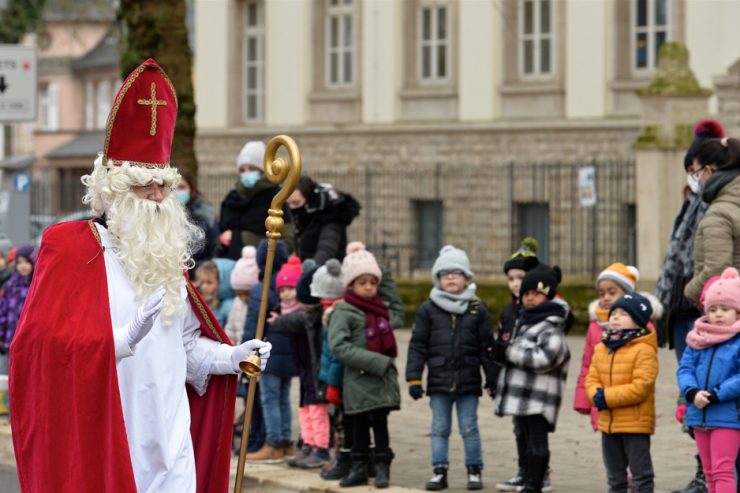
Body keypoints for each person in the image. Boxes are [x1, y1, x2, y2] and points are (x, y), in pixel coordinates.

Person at [8, 59, 272, 493]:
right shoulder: (69, 247)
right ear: (112, 190)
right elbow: (37, 351)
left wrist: (230, 357)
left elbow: (183, 346)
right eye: (143, 185)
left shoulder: (164, 258)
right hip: (110, 442)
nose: (156, 196)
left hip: (171, 446)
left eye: (163, 186)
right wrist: (121, 340)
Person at [406, 245, 497, 491]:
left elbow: (486, 348)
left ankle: (474, 470)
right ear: (437, 279)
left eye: (456, 273)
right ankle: (439, 471)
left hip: (468, 380)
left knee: (469, 427)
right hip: (439, 380)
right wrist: (414, 378)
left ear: (467, 278)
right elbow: (417, 346)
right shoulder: (427, 310)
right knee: (439, 428)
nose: (450, 278)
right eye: (445, 274)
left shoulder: (477, 309)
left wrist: (493, 379)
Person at [329, 242, 403, 489]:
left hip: (379, 383)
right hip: (359, 381)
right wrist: (377, 362)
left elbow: (398, 309)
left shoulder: (382, 310)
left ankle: (382, 468)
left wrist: (380, 269)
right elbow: (339, 346)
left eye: (373, 282)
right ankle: (358, 468)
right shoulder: (344, 311)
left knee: (381, 427)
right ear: (351, 285)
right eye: (363, 283)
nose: (369, 287)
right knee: (359, 428)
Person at [494, 264, 570, 493]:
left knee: (537, 444)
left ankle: (535, 484)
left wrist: (509, 351)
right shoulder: (525, 321)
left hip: (539, 399)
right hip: (522, 397)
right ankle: (527, 479)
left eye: (536, 293)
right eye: (526, 293)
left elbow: (543, 358)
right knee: (525, 441)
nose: (529, 298)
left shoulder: (552, 326)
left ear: (548, 295)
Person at [574, 263, 663, 431]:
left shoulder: (643, 328)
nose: (606, 297)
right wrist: (584, 399)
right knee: (609, 448)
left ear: (627, 294)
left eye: (612, 292)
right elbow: (587, 365)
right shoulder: (595, 325)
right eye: (602, 293)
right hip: (601, 404)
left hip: (631, 409)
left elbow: (645, 373)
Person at [585, 293, 659, 493]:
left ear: (638, 321)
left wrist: (606, 397)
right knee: (615, 477)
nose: (615, 317)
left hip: (635, 424)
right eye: (613, 313)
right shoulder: (602, 347)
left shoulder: (644, 349)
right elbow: (591, 378)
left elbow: (641, 387)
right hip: (608, 423)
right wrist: (595, 395)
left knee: (641, 475)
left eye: (623, 313)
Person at [678, 267, 740, 493]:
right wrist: (692, 392)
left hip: (728, 416)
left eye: (725, 308)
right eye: (713, 309)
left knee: (723, 470)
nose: (718, 314)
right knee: (709, 472)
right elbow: (685, 369)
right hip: (698, 413)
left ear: (738, 312)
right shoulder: (697, 338)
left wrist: (716, 394)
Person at [269, 258, 333, 469]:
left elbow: (296, 321)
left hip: (315, 370)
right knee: (304, 406)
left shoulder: (309, 314)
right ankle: (308, 444)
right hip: (304, 369)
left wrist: (278, 321)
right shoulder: (288, 311)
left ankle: (321, 448)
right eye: (282, 290)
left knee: (316, 408)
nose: (287, 294)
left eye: (291, 289)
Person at [494, 238, 546, 493]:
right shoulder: (507, 311)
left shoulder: (542, 309)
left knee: (536, 431)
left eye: (521, 277)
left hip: (536, 382)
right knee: (519, 429)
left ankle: (540, 476)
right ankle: (524, 472)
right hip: (513, 380)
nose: (515, 283)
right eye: (511, 278)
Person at [245, 239, 298, 463]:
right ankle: (286, 442)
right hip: (290, 351)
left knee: (269, 398)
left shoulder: (263, 287)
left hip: (270, 353)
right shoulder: (288, 282)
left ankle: (274, 443)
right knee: (283, 397)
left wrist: (245, 353)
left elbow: (253, 324)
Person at [218, 141, 296, 260]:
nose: (246, 173)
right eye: (243, 170)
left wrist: (263, 252)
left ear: (263, 171)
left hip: (262, 265)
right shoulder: (232, 198)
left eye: (252, 168)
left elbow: (288, 240)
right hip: (231, 264)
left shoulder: (276, 197)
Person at [287, 176, 361, 264]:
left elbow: (327, 249)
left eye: (296, 203)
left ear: (308, 201)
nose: (291, 208)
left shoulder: (330, 217)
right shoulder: (304, 219)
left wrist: (309, 269)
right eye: (288, 203)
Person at [176, 167, 219, 275]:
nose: (176, 192)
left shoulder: (205, 216)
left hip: (198, 277)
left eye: (181, 187)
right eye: (173, 187)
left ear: (191, 189)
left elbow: (214, 250)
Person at [0, 244, 35, 374]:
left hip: (31, 342)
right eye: (19, 262)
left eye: (27, 261)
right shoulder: (11, 285)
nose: (23, 266)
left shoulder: (36, 286)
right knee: (12, 374)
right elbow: (3, 311)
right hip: (11, 340)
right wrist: (1, 335)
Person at [225, 246, 259, 345]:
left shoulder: (261, 304)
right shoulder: (237, 303)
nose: (244, 298)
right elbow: (230, 330)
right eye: (240, 294)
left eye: (248, 293)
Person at [195, 260, 232, 327]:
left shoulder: (228, 307)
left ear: (222, 283)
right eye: (202, 282)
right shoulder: (204, 301)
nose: (204, 287)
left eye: (209, 283)